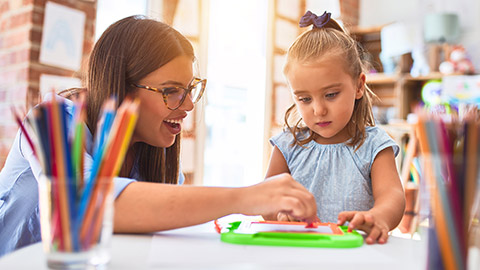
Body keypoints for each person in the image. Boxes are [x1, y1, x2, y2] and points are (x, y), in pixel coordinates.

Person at [0, 15, 318, 256]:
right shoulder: (50, 119)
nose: (190, 104)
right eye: (170, 91)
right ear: (122, 89)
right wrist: (245, 197)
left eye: (191, 89)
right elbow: (84, 204)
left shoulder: (153, 157)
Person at [264, 11, 405, 244]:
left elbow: (393, 196)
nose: (318, 110)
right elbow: (265, 198)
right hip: (298, 253)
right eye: (304, 99)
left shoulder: (375, 145)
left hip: (355, 254)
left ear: (359, 86)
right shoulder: (286, 145)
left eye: (331, 94)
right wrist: (279, 213)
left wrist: (377, 217)